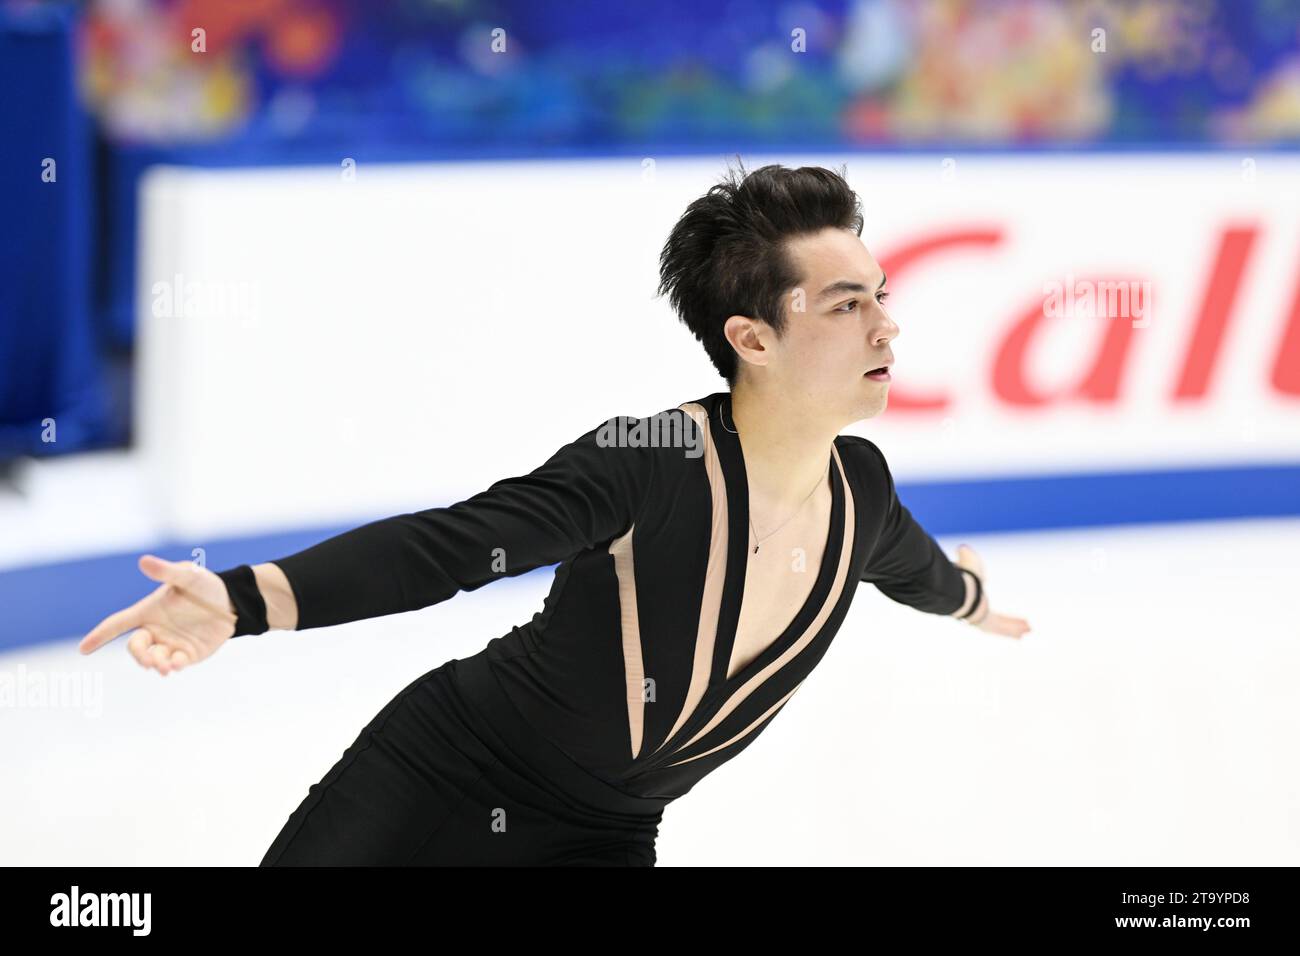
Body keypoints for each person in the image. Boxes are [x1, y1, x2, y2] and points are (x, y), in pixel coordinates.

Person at [79, 162, 1031, 866]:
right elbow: (451, 546)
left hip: (602, 838)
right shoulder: (650, 463)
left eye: (883, 297)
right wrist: (245, 600)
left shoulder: (861, 493)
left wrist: (974, 598)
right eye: (845, 304)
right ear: (752, 338)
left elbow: (921, 573)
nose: (887, 325)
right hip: (434, 777)